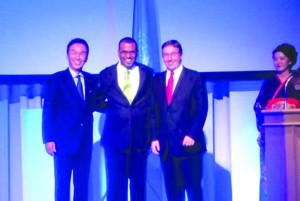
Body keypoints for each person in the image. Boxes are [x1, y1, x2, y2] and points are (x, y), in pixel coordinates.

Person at [93, 37, 154, 201]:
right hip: (114, 140)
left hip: (140, 139)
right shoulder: (106, 74)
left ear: (137, 52)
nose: (128, 55)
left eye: (132, 52)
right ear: (119, 52)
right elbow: (97, 101)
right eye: (125, 52)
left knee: (138, 187)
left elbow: (152, 105)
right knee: (115, 187)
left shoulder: (148, 73)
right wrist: (114, 110)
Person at [151, 40, 208, 201]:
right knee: (173, 193)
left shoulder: (194, 77)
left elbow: (201, 109)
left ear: (181, 55)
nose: (169, 58)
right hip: (166, 146)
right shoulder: (156, 80)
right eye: (166, 55)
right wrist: (154, 137)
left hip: (188, 145)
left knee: (193, 190)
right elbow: (153, 112)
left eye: (173, 54)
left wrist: (192, 134)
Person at [42, 38, 95, 201]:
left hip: (85, 142)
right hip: (62, 142)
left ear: (86, 57)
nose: (78, 57)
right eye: (74, 53)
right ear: (67, 55)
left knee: (82, 185)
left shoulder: (91, 79)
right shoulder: (57, 79)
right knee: (62, 185)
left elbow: (96, 104)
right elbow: (48, 109)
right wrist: (48, 138)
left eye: (82, 53)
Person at [253, 43, 300, 201]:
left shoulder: (297, 82)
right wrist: (262, 130)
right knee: (270, 174)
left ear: (290, 61)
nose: (277, 62)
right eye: (275, 59)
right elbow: (258, 106)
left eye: (282, 58)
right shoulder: (269, 83)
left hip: (296, 135)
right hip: (272, 135)